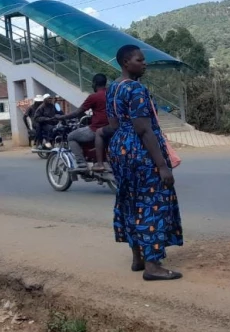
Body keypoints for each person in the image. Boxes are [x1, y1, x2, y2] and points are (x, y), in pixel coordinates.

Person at [106, 44, 183, 281]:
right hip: (140, 151)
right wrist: (161, 165)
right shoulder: (136, 89)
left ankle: (138, 257)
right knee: (153, 203)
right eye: (140, 60)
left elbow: (113, 124)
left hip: (120, 147)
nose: (144, 63)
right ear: (126, 63)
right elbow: (143, 128)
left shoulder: (112, 88)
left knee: (130, 201)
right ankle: (153, 265)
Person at [57, 74, 110, 170]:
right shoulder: (111, 94)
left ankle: (81, 163)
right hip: (111, 127)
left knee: (71, 136)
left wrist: (61, 117)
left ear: (94, 83)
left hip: (97, 128)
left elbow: (77, 112)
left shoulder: (94, 97)